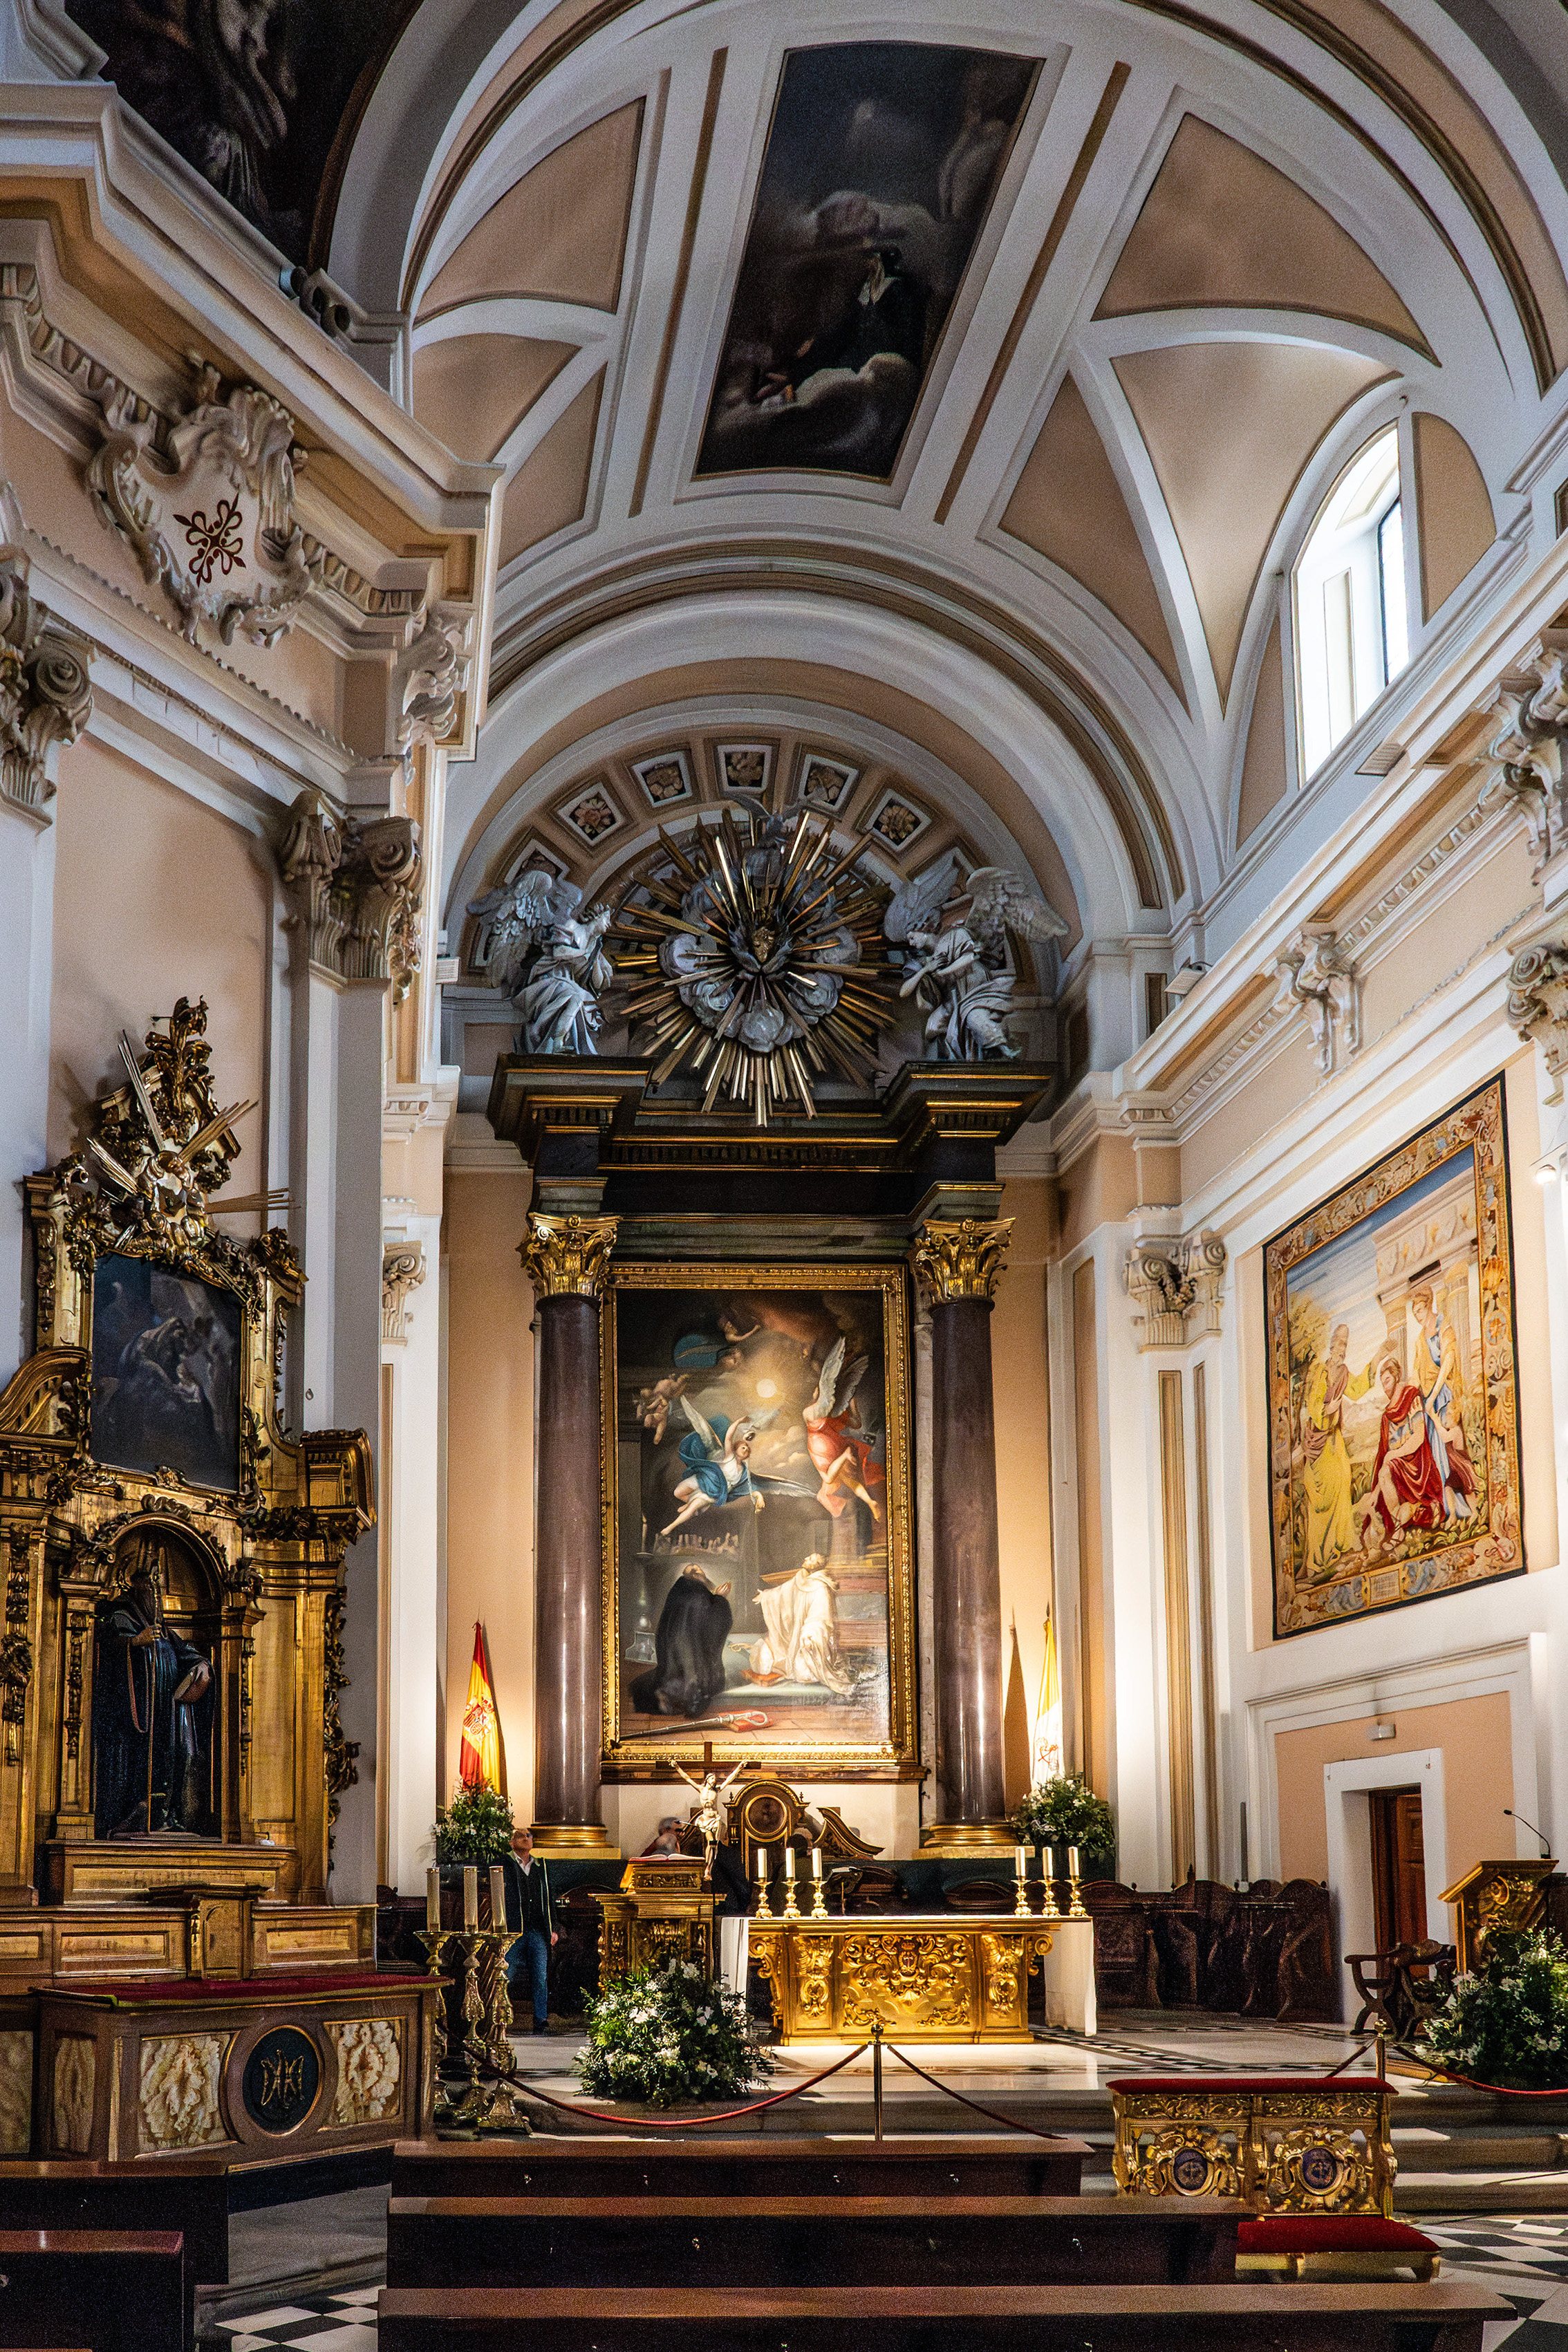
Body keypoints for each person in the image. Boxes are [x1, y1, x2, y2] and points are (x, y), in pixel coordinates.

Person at [92, 1558, 212, 1837]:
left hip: (166, 1711)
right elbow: (105, 1651)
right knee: (139, 1762)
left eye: (159, 1584)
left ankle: (166, 1815)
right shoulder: (122, 1616)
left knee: (174, 1757)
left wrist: (201, 1664)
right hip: (136, 1714)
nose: (156, 1591)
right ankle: (133, 1815)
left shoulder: (163, 1629)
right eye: (151, 1582)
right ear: (135, 1585)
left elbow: (184, 1652)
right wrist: (134, 1643)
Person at [501, 1825, 557, 2035]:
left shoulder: (540, 1867)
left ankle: (541, 2019)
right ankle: (501, 2017)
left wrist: (553, 1928)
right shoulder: (504, 1864)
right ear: (512, 1843)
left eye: (529, 1835)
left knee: (540, 1977)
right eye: (521, 1836)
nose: (526, 1838)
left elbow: (549, 1899)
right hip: (514, 1931)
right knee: (506, 1974)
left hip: (537, 1931)